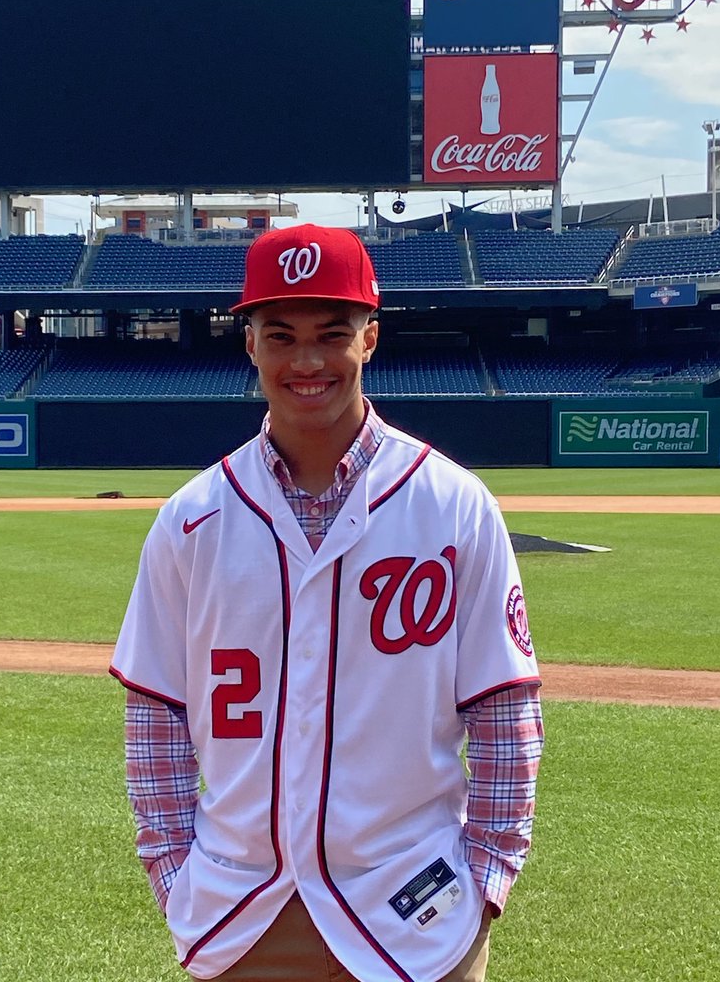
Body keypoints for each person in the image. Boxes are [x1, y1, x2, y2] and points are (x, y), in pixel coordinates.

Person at [111, 224, 544, 982]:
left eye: (331, 334)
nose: (306, 361)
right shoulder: (193, 517)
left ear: (368, 338)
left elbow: (504, 707)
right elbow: (156, 712)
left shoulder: (452, 504)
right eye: (280, 335)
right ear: (250, 344)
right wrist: (173, 871)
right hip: (241, 912)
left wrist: (486, 879)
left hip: (417, 910)